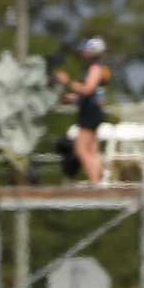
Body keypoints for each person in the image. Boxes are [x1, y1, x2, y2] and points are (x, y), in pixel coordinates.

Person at [53, 36, 111, 183]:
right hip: (93, 111)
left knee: (81, 149)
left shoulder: (95, 69)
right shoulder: (97, 69)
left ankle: (95, 183)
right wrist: (72, 98)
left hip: (90, 113)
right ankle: (99, 182)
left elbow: (88, 90)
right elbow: (90, 93)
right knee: (91, 149)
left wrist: (67, 82)